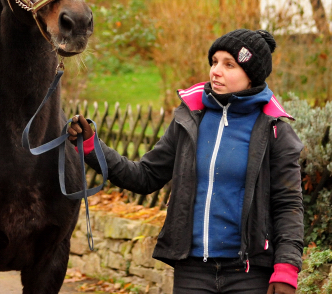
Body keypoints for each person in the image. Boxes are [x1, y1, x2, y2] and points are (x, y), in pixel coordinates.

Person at [68, 29, 303, 294]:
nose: (216, 71)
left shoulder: (274, 131)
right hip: (193, 272)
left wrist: (286, 267)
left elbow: (288, 205)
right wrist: (91, 147)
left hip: (249, 274)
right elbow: (144, 176)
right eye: (214, 62)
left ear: (252, 75)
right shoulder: (190, 119)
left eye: (229, 65)